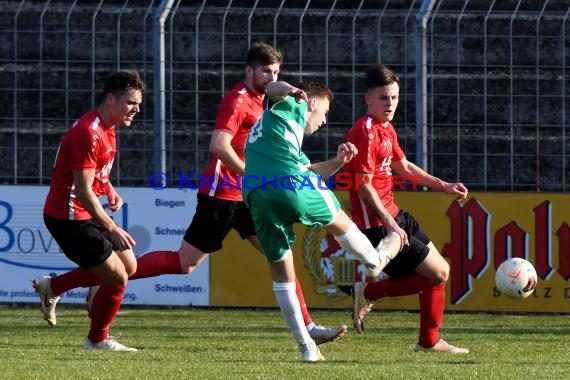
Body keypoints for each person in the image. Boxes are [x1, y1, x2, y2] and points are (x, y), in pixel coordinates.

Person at [33, 42, 346, 346]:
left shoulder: (265, 100)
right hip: (222, 194)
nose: (272, 78)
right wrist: (254, 176)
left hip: (249, 195)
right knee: (184, 264)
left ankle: (308, 326)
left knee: (280, 255)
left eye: (276, 72)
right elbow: (219, 146)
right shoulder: (237, 101)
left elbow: (279, 106)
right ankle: (86, 281)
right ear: (249, 71)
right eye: (266, 71)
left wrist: (294, 97)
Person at [242, 80, 401, 362]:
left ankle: (307, 348)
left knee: (282, 275)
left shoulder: (278, 134)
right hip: (287, 182)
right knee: (339, 218)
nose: (324, 121)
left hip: (256, 194)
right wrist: (291, 91)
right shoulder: (295, 102)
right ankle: (374, 261)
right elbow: (271, 88)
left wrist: (339, 161)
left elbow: (310, 171)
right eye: (324, 112)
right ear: (313, 103)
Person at [345, 63, 469, 354]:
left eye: (395, 98)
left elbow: (404, 167)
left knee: (438, 273)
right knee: (438, 273)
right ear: (368, 98)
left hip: (395, 215)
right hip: (377, 225)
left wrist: (444, 185)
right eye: (384, 98)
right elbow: (364, 188)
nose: (390, 104)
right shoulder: (364, 132)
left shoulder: (386, 129)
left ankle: (428, 340)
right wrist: (390, 225)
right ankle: (370, 292)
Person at [36, 71, 145, 351]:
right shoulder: (89, 132)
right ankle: (97, 340)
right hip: (67, 218)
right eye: (132, 102)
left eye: (139, 103)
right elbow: (83, 191)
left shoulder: (108, 127)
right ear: (111, 99)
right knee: (118, 277)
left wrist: (108, 189)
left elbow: (96, 176)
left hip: (82, 212)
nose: (137, 109)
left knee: (129, 267)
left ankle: (54, 287)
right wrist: (112, 227)